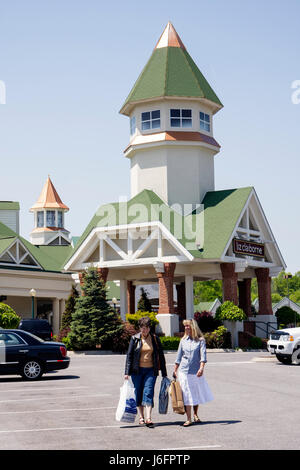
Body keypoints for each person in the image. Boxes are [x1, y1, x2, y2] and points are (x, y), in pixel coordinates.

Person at [124, 316, 167, 427]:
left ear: (149, 328)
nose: (145, 330)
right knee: (138, 392)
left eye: (147, 327)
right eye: (143, 328)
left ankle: (148, 418)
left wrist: (164, 373)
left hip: (151, 371)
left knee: (148, 392)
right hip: (136, 371)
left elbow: (161, 356)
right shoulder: (135, 339)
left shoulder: (155, 339)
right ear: (139, 328)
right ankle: (141, 417)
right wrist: (126, 372)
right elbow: (129, 356)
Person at [173, 319, 213, 427]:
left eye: (188, 326)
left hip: (196, 372)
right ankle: (188, 419)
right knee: (186, 395)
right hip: (184, 371)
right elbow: (178, 357)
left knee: (194, 394)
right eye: (185, 326)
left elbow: (203, 356)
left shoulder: (200, 340)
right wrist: (175, 370)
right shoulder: (183, 340)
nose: (186, 328)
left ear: (193, 327)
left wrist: (201, 368)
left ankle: (195, 414)